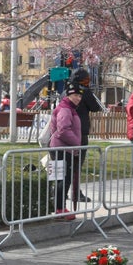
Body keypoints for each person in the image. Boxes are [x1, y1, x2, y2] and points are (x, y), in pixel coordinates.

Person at [49, 82, 84, 221]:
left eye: (79, 96)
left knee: (64, 179)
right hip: (62, 149)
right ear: (68, 95)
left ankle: (60, 207)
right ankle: (59, 208)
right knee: (63, 179)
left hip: (64, 149)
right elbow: (63, 130)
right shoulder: (65, 109)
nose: (78, 98)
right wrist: (77, 143)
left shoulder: (69, 108)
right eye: (75, 95)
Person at [70, 68, 103, 203]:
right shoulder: (84, 92)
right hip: (80, 132)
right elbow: (96, 107)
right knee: (77, 164)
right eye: (85, 80)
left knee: (66, 164)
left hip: (66, 132)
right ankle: (76, 192)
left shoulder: (65, 91)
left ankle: (60, 190)